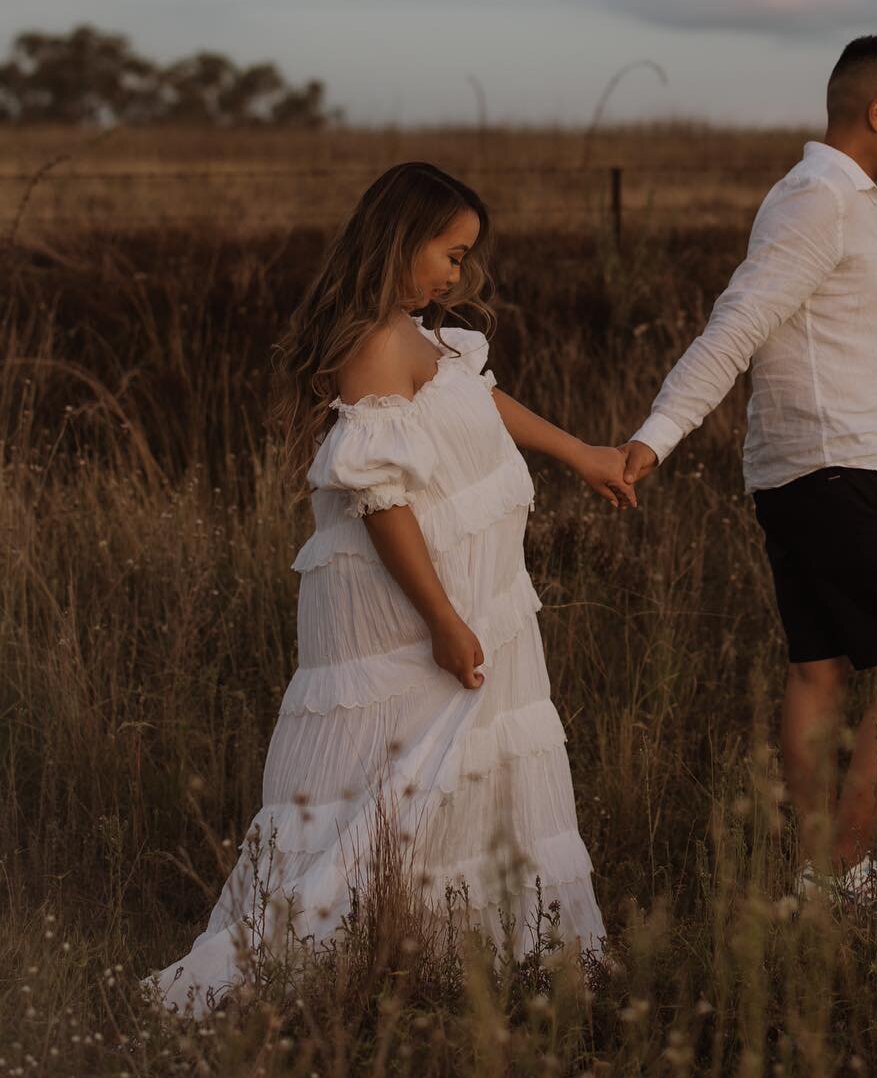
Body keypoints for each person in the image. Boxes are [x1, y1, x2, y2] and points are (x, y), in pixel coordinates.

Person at [148, 162, 632, 1011]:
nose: (459, 273)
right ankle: (363, 955)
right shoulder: (372, 343)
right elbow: (380, 497)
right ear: (400, 240)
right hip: (411, 604)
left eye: (466, 256)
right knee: (398, 770)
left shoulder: (415, 330)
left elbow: (482, 401)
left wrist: (582, 452)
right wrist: (441, 616)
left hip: (479, 585)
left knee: (469, 765)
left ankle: (471, 949)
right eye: (450, 253)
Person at [622, 36, 877, 906]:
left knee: (819, 667)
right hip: (838, 470)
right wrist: (656, 435)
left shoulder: (832, 199)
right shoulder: (821, 201)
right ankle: (836, 874)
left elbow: (854, 355)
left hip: (823, 466)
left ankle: (818, 871)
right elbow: (736, 325)